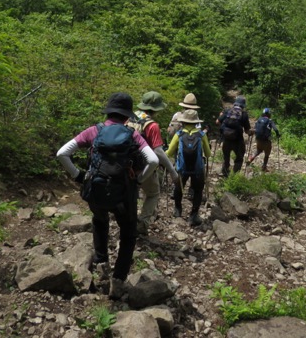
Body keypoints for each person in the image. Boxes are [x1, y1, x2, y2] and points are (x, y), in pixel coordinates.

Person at [56, 92, 158, 299]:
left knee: (100, 222)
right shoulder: (133, 135)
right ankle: (118, 281)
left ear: (109, 111)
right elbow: (154, 160)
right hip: (124, 194)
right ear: (127, 116)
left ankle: (102, 264)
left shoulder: (94, 131)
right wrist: (139, 180)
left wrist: (78, 176)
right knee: (128, 234)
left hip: (97, 190)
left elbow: (62, 153)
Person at [132, 91, 179, 235]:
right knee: (153, 193)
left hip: (126, 165)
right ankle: (142, 223)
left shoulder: (130, 118)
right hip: (145, 166)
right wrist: (172, 170)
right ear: (157, 108)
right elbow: (158, 151)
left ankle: (129, 221)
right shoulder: (152, 125)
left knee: (132, 193)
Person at [165, 108, 211, 226]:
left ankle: (177, 210)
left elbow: (169, 152)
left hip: (182, 167)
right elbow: (208, 153)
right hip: (197, 168)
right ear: (196, 122)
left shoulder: (179, 134)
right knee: (198, 190)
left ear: (183, 121)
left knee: (178, 188)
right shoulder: (201, 135)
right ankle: (193, 215)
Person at [216, 95, 251, 177]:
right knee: (239, 158)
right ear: (243, 105)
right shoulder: (244, 114)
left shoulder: (227, 111)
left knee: (226, 157)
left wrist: (220, 116)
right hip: (238, 140)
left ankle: (225, 173)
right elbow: (247, 131)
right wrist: (252, 132)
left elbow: (217, 122)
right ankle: (234, 175)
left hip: (226, 139)